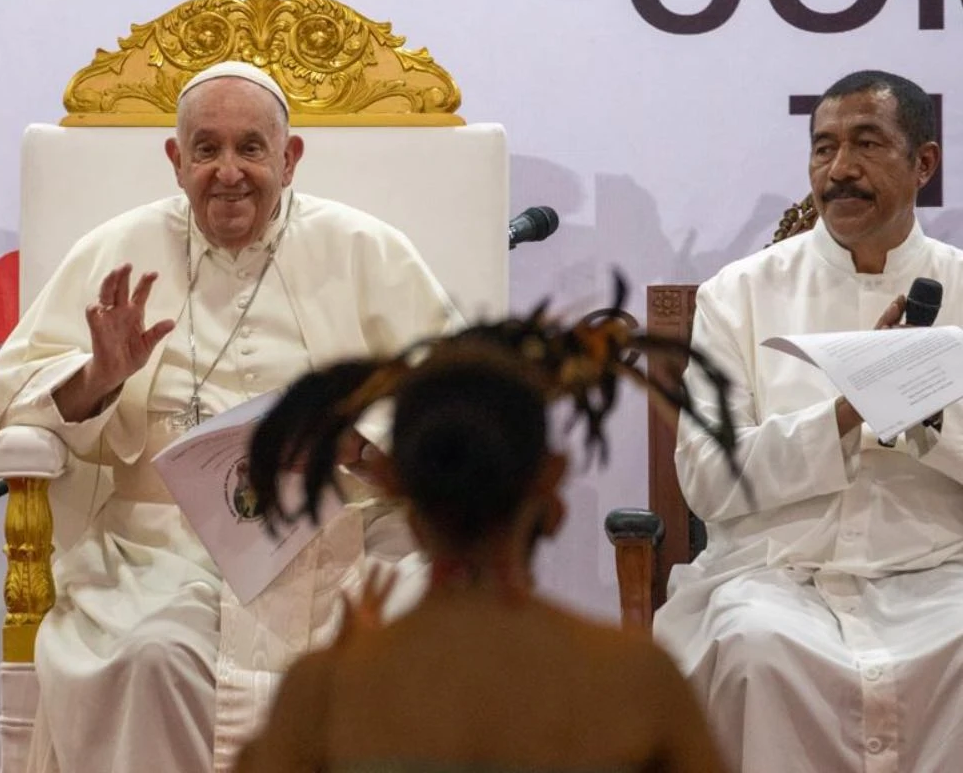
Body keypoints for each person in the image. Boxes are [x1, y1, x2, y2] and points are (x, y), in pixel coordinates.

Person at [0, 60, 461, 773]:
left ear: (289, 157)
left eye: (251, 148)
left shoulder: (368, 252)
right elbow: (22, 399)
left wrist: (357, 447)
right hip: (161, 552)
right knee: (149, 655)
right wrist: (100, 377)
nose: (229, 172)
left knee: (397, 650)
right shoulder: (115, 253)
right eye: (206, 149)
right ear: (177, 162)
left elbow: (459, 425)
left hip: (345, 542)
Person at [653, 70, 963, 772]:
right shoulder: (738, 295)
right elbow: (708, 479)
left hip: (945, 572)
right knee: (754, 651)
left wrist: (935, 410)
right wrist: (843, 413)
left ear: (923, 162)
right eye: (823, 148)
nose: (839, 170)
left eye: (866, 145)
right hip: (777, 575)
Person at [234, 310, 736, 773]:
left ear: (393, 483)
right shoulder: (635, 680)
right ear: (552, 484)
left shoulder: (328, 691)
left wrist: (345, 663)